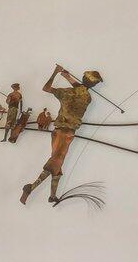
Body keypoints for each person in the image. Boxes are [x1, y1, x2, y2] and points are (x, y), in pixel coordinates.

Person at [21, 65, 102, 204]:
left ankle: (51, 195)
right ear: (93, 85)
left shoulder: (67, 93)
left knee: (57, 160)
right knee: (57, 160)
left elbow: (46, 88)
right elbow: (81, 88)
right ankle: (32, 187)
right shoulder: (88, 98)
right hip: (68, 133)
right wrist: (66, 76)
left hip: (59, 131)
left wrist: (56, 73)